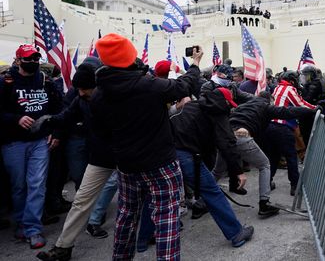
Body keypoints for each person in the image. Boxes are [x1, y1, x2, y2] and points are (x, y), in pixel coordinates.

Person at [90, 34, 202, 260]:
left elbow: (101, 133)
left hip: (127, 165)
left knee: (126, 216)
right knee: (167, 217)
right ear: (130, 56)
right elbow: (183, 85)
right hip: (161, 163)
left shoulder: (99, 94)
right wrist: (195, 64)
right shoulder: (147, 85)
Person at [36, 61, 120, 261]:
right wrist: (48, 120)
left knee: (141, 198)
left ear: (98, 85)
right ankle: (63, 247)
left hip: (126, 156)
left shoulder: (116, 97)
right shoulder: (81, 100)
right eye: (79, 89)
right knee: (81, 200)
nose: (81, 93)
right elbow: (66, 116)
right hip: (100, 157)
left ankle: (157, 231)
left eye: (85, 89)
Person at [169, 85, 254, 246]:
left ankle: (144, 239)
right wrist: (238, 171)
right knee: (213, 192)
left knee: (159, 195)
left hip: (165, 153)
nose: (229, 107)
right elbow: (227, 144)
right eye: (228, 104)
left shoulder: (192, 106)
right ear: (223, 103)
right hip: (186, 156)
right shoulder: (218, 113)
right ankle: (236, 234)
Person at [214, 90, 316, 217]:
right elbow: (288, 112)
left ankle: (201, 202)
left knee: (217, 171)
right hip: (241, 136)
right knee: (264, 165)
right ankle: (264, 203)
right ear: (270, 100)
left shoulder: (243, 106)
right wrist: (312, 110)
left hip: (225, 137)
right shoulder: (265, 107)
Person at [0, 45, 63, 250]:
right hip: (13, 143)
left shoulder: (46, 82)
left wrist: (56, 132)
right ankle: (21, 222)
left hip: (40, 142)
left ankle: (33, 228)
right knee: (19, 186)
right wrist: (16, 118)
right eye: (29, 58)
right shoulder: (5, 83)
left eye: (36, 58)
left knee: (36, 184)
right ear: (18, 60)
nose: (34, 62)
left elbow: (59, 110)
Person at [265, 70, 316, 196]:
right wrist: (316, 108)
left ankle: (267, 182)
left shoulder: (277, 88)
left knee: (274, 157)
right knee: (291, 156)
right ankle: (295, 185)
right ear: (292, 80)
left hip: (270, 126)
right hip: (283, 127)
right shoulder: (289, 89)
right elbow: (301, 104)